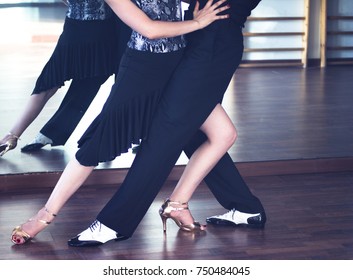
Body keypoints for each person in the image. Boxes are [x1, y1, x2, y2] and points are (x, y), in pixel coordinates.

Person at [10, 0, 230, 245]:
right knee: (96, 145)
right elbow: (149, 29)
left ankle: (177, 204)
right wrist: (197, 22)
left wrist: (193, 17)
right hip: (142, 71)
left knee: (224, 134)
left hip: (181, 68)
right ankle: (45, 214)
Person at [64, 0, 266, 247]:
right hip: (198, 40)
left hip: (212, 47)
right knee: (194, 133)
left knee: (166, 134)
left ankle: (114, 223)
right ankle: (244, 207)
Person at [0, 0, 130, 156]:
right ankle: (104, 137)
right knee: (100, 82)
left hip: (78, 28)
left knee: (50, 83)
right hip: (100, 31)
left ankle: (12, 136)